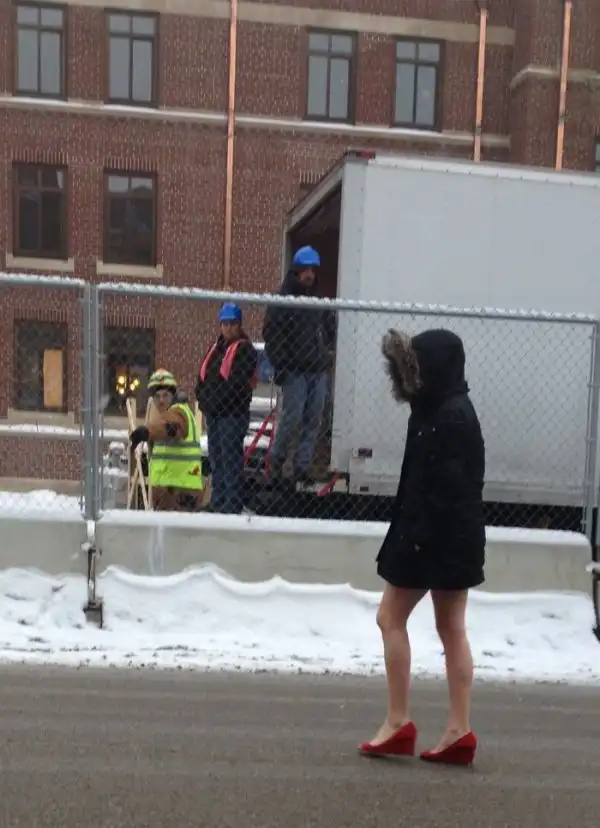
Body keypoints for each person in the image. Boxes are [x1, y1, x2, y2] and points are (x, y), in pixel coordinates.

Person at [359, 328, 485, 767]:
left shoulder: (446, 417)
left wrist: (414, 540)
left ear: (433, 367)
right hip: (456, 537)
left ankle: (399, 721)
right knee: (452, 628)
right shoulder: (445, 410)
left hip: (429, 538)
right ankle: (458, 729)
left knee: (390, 617)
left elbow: (439, 490)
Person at [262, 245, 331, 484]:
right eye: (305, 269)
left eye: (312, 270)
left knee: (313, 419)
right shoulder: (283, 301)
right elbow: (272, 335)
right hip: (294, 370)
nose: (309, 274)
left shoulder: (319, 302)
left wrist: (325, 354)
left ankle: (302, 466)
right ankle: (277, 463)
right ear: (296, 271)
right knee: (292, 418)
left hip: (316, 369)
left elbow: (329, 328)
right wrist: (281, 365)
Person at [195, 303, 258, 514]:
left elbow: (236, 385)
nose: (228, 328)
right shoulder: (216, 349)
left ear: (239, 325)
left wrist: (213, 401)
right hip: (215, 414)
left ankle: (232, 503)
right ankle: (218, 499)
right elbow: (202, 379)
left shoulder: (244, 350)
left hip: (232, 415)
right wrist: (204, 400)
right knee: (216, 458)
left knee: (230, 458)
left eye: (232, 324)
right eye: (225, 324)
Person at [130, 369, 205, 512]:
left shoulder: (178, 412)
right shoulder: (165, 415)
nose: (161, 400)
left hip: (180, 494)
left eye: (165, 395)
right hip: (172, 494)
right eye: (157, 396)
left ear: (173, 395)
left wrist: (147, 432)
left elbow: (169, 426)